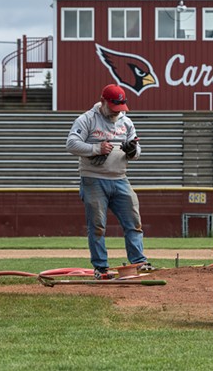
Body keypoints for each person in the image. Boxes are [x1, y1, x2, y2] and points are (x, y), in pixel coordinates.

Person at [66, 84, 153, 279]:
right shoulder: (87, 119)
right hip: (93, 178)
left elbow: (137, 151)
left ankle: (138, 261)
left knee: (134, 221)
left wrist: (132, 151)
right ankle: (101, 268)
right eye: (114, 108)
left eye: (120, 109)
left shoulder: (126, 122)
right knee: (97, 225)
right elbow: (71, 143)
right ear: (103, 102)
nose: (117, 113)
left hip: (120, 178)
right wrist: (95, 149)